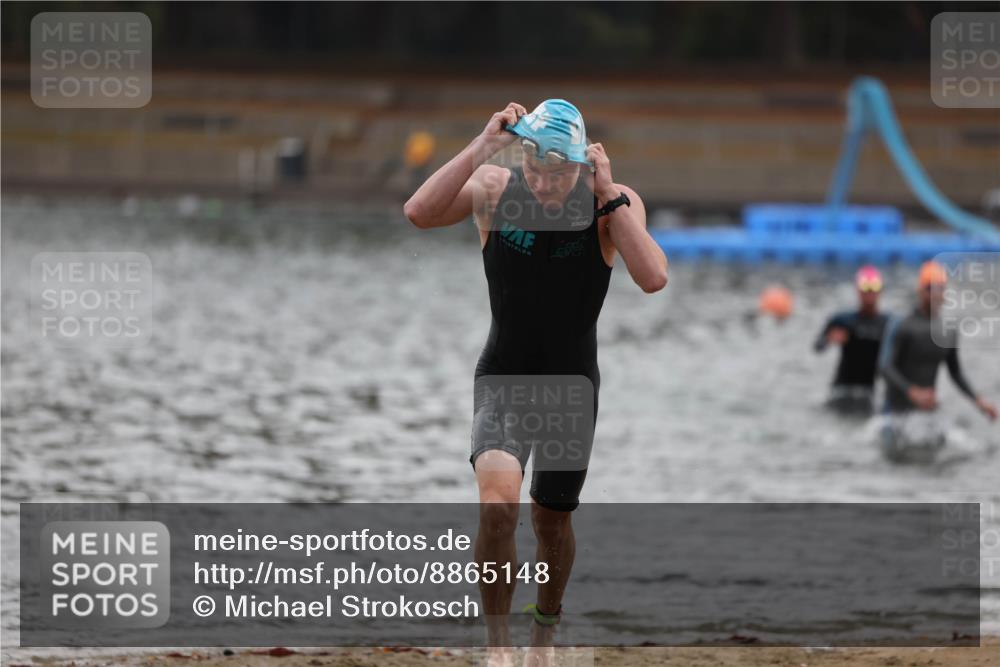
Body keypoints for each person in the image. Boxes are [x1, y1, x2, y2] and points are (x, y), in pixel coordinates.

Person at [404, 99, 667, 666]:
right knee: (497, 509)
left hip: (572, 386)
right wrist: (481, 145)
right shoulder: (496, 190)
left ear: (581, 165)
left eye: (560, 172)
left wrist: (609, 193)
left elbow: (653, 276)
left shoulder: (610, 206)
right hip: (504, 374)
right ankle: (499, 649)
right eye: (536, 168)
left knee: (552, 518)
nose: (545, 183)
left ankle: (543, 633)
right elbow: (419, 212)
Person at [878, 260, 997, 459]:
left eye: (940, 288)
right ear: (920, 291)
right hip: (897, 414)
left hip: (928, 414)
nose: (935, 293)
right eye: (930, 288)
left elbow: (955, 373)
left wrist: (979, 402)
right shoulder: (902, 326)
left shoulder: (947, 331)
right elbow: (885, 366)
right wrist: (912, 391)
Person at [813, 265, 890, 416]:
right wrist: (829, 339)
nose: (870, 293)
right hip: (841, 391)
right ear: (858, 290)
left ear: (880, 291)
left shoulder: (887, 324)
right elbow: (817, 347)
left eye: (874, 288)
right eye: (865, 288)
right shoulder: (842, 320)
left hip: (868, 392)